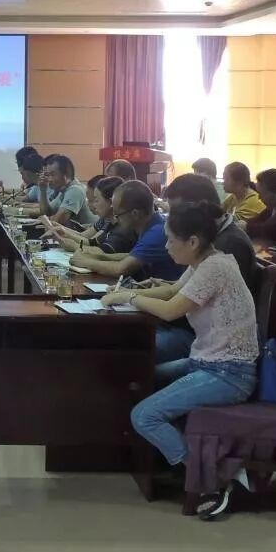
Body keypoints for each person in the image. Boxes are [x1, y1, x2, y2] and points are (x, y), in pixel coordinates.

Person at [106, 203, 259, 520]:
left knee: (144, 415)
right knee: (141, 378)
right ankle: (168, 460)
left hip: (228, 373)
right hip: (208, 362)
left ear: (192, 241)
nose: (166, 246)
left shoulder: (215, 268)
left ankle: (213, 479)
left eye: (171, 240)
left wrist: (127, 297)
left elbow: (170, 310)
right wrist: (145, 288)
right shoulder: (208, 260)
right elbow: (174, 291)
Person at [150, 173, 259, 363]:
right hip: (194, 329)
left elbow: (176, 308)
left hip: (207, 341)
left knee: (136, 346)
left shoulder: (227, 246)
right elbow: (184, 289)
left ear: (196, 208)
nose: (173, 218)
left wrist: (133, 299)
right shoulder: (211, 240)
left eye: (177, 211)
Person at [70, 179, 185, 282]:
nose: (115, 219)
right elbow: (132, 255)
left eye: (118, 215)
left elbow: (120, 269)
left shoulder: (156, 233)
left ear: (135, 214)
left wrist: (85, 262)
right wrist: (98, 256)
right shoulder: (150, 223)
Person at [47, 176, 133, 255]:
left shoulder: (122, 228)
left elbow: (102, 253)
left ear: (111, 202)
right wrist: (64, 232)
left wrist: (75, 246)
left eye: (96, 200)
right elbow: (92, 242)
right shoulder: (110, 222)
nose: (93, 205)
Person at [37, 154, 94, 227]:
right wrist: (43, 190)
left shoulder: (75, 190)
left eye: (53, 175)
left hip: (87, 233)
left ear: (66, 175)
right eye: (48, 175)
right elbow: (46, 212)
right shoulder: (64, 190)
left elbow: (59, 221)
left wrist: (44, 220)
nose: (49, 179)